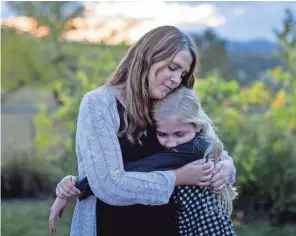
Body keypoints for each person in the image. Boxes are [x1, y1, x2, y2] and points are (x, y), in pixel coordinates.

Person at [49, 25, 236, 236]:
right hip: (110, 226)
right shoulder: (98, 104)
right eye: (172, 67)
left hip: (166, 227)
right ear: (149, 56)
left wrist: (227, 166)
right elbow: (110, 184)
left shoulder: (167, 105)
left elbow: (201, 143)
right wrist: (177, 177)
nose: (176, 79)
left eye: (182, 74)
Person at [50, 87, 237, 235]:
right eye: (163, 134)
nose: (171, 143)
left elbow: (141, 168)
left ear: (197, 126)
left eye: (179, 134)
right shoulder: (193, 143)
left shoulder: (196, 148)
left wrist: (80, 186)